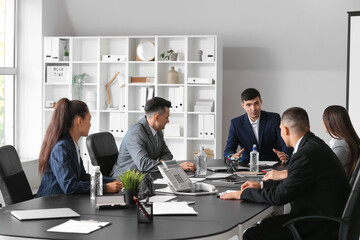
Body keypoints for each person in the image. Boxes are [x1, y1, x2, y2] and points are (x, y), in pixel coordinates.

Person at [221, 107, 350, 240]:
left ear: (286, 130)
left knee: (253, 234)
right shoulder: (313, 145)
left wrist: (242, 194)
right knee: (265, 224)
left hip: (320, 226)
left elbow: (280, 196)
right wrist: (260, 186)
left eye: (281, 129)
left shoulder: (306, 154)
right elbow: (292, 181)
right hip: (324, 217)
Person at [36, 98, 123, 198]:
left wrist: (112, 181)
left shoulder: (72, 144)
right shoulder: (61, 148)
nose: (90, 124)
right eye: (89, 119)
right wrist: (105, 187)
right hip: (50, 205)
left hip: (64, 201)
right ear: (79, 121)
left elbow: (82, 177)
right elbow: (70, 186)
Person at [263, 105, 360, 182]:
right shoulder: (339, 142)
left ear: (330, 122)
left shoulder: (341, 146)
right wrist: (288, 158)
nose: (322, 122)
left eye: (323, 119)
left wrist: (284, 174)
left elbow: (319, 170)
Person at [111, 97, 195, 177]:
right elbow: (143, 164)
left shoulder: (158, 131)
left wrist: (163, 163)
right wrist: (175, 167)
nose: (168, 121)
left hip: (146, 177)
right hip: (124, 181)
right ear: (157, 117)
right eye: (166, 117)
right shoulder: (136, 133)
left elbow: (167, 153)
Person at [224, 88, 292, 164]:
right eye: (248, 105)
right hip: (247, 166)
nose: (253, 108)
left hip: (273, 165)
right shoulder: (236, 123)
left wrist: (286, 156)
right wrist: (232, 156)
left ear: (261, 102)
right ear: (243, 105)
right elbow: (228, 149)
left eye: (256, 103)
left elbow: (285, 142)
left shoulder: (274, 119)